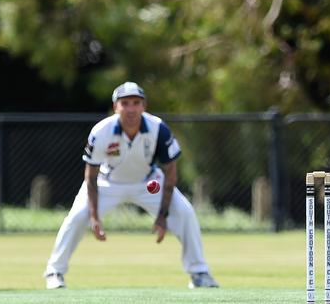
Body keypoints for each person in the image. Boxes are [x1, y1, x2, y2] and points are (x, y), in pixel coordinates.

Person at [43, 81, 219, 289]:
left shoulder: (158, 128)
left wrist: (162, 216)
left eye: (136, 103)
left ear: (144, 106)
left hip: (149, 183)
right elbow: (91, 176)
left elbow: (170, 173)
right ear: (116, 107)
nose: (131, 109)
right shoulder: (101, 131)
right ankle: (55, 271)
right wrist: (93, 215)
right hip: (107, 183)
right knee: (76, 217)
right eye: (125, 103)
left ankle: (199, 273)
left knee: (185, 212)